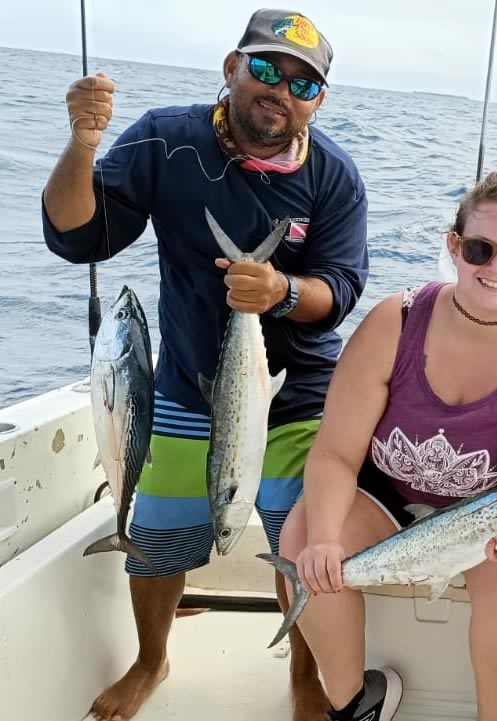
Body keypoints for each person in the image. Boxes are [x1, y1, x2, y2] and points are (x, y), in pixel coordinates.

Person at [42, 9, 368, 721]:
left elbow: (340, 290)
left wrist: (281, 291)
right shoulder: (166, 139)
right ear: (231, 66)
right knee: (156, 536)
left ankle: (305, 677)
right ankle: (151, 659)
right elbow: (79, 235)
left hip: (301, 393)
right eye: (264, 68)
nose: (279, 88)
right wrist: (82, 143)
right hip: (190, 383)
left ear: (318, 99)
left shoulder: (334, 176)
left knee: (307, 540)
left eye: (301, 82)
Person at [277, 157, 497, 721]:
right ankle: (353, 703)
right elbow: (337, 452)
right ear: (453, 244)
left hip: (481, 517)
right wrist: (323, 538)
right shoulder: (397, 319)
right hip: (386, 495)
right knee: (301, 538)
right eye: (479, 249)